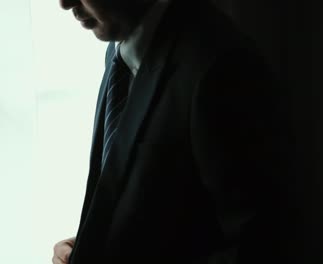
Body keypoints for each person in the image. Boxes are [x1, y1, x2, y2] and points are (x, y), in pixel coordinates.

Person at [53, 0, 291, 263]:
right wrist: (90, 248)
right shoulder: (120, 50)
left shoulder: (221, 65)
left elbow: (258, 246)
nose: (64, 3)